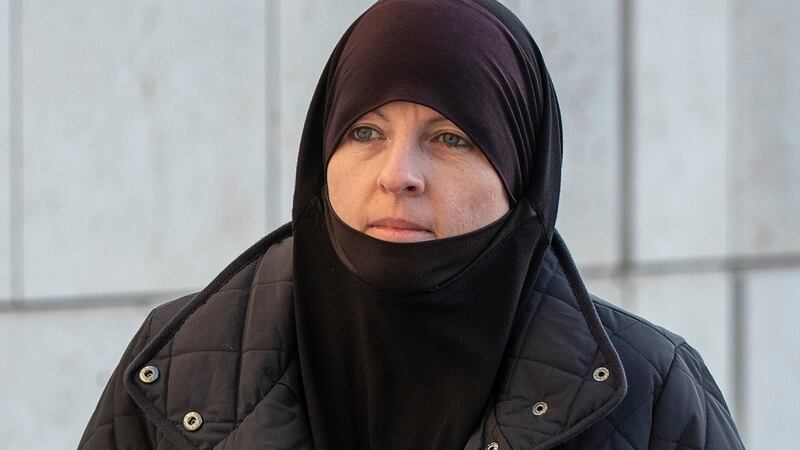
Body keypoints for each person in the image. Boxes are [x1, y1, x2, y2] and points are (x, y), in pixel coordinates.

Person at [79, 1, 745, 449]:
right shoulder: (177, 367)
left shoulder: (651, 391)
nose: (399, 173)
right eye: (365, 131)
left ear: (522, 175)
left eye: (451, 138)